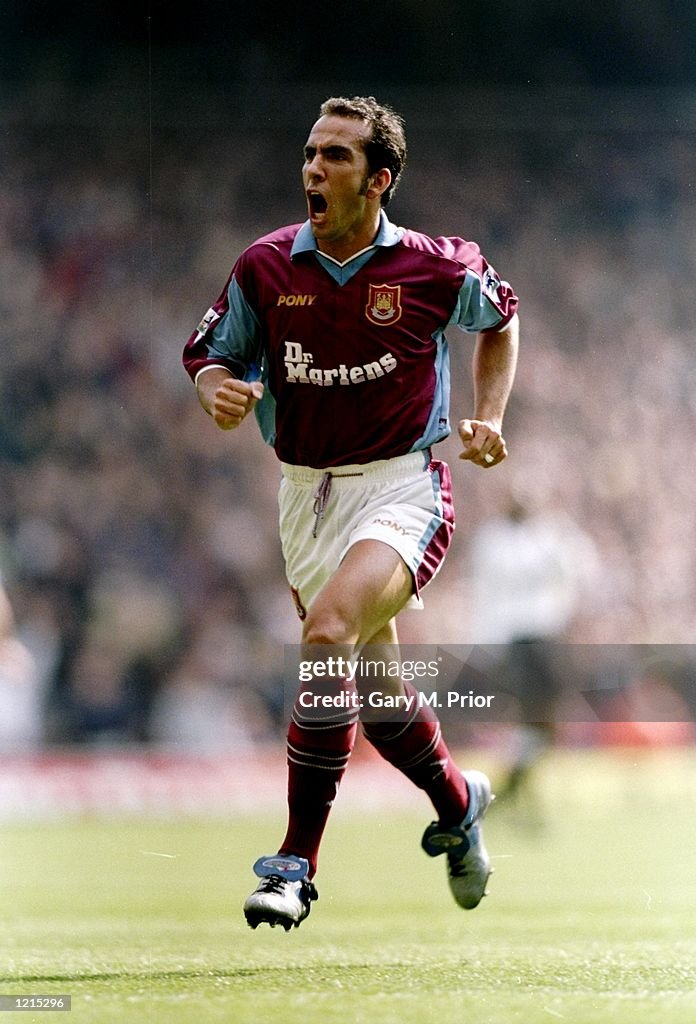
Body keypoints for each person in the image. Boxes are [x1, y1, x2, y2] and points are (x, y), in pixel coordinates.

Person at [183, 95, 519, 930]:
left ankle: (296, 861)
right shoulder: (265, 267)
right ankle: (457, 802)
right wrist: (214, 389)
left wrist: (491, 415)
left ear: (380, 180)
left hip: (404, 487)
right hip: (306, 496)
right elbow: (209, 353)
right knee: (374, 689)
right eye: (309, 153)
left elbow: (502, 320)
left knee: (327, 632)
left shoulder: (438, 268)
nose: (312, 169)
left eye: (335, 156)